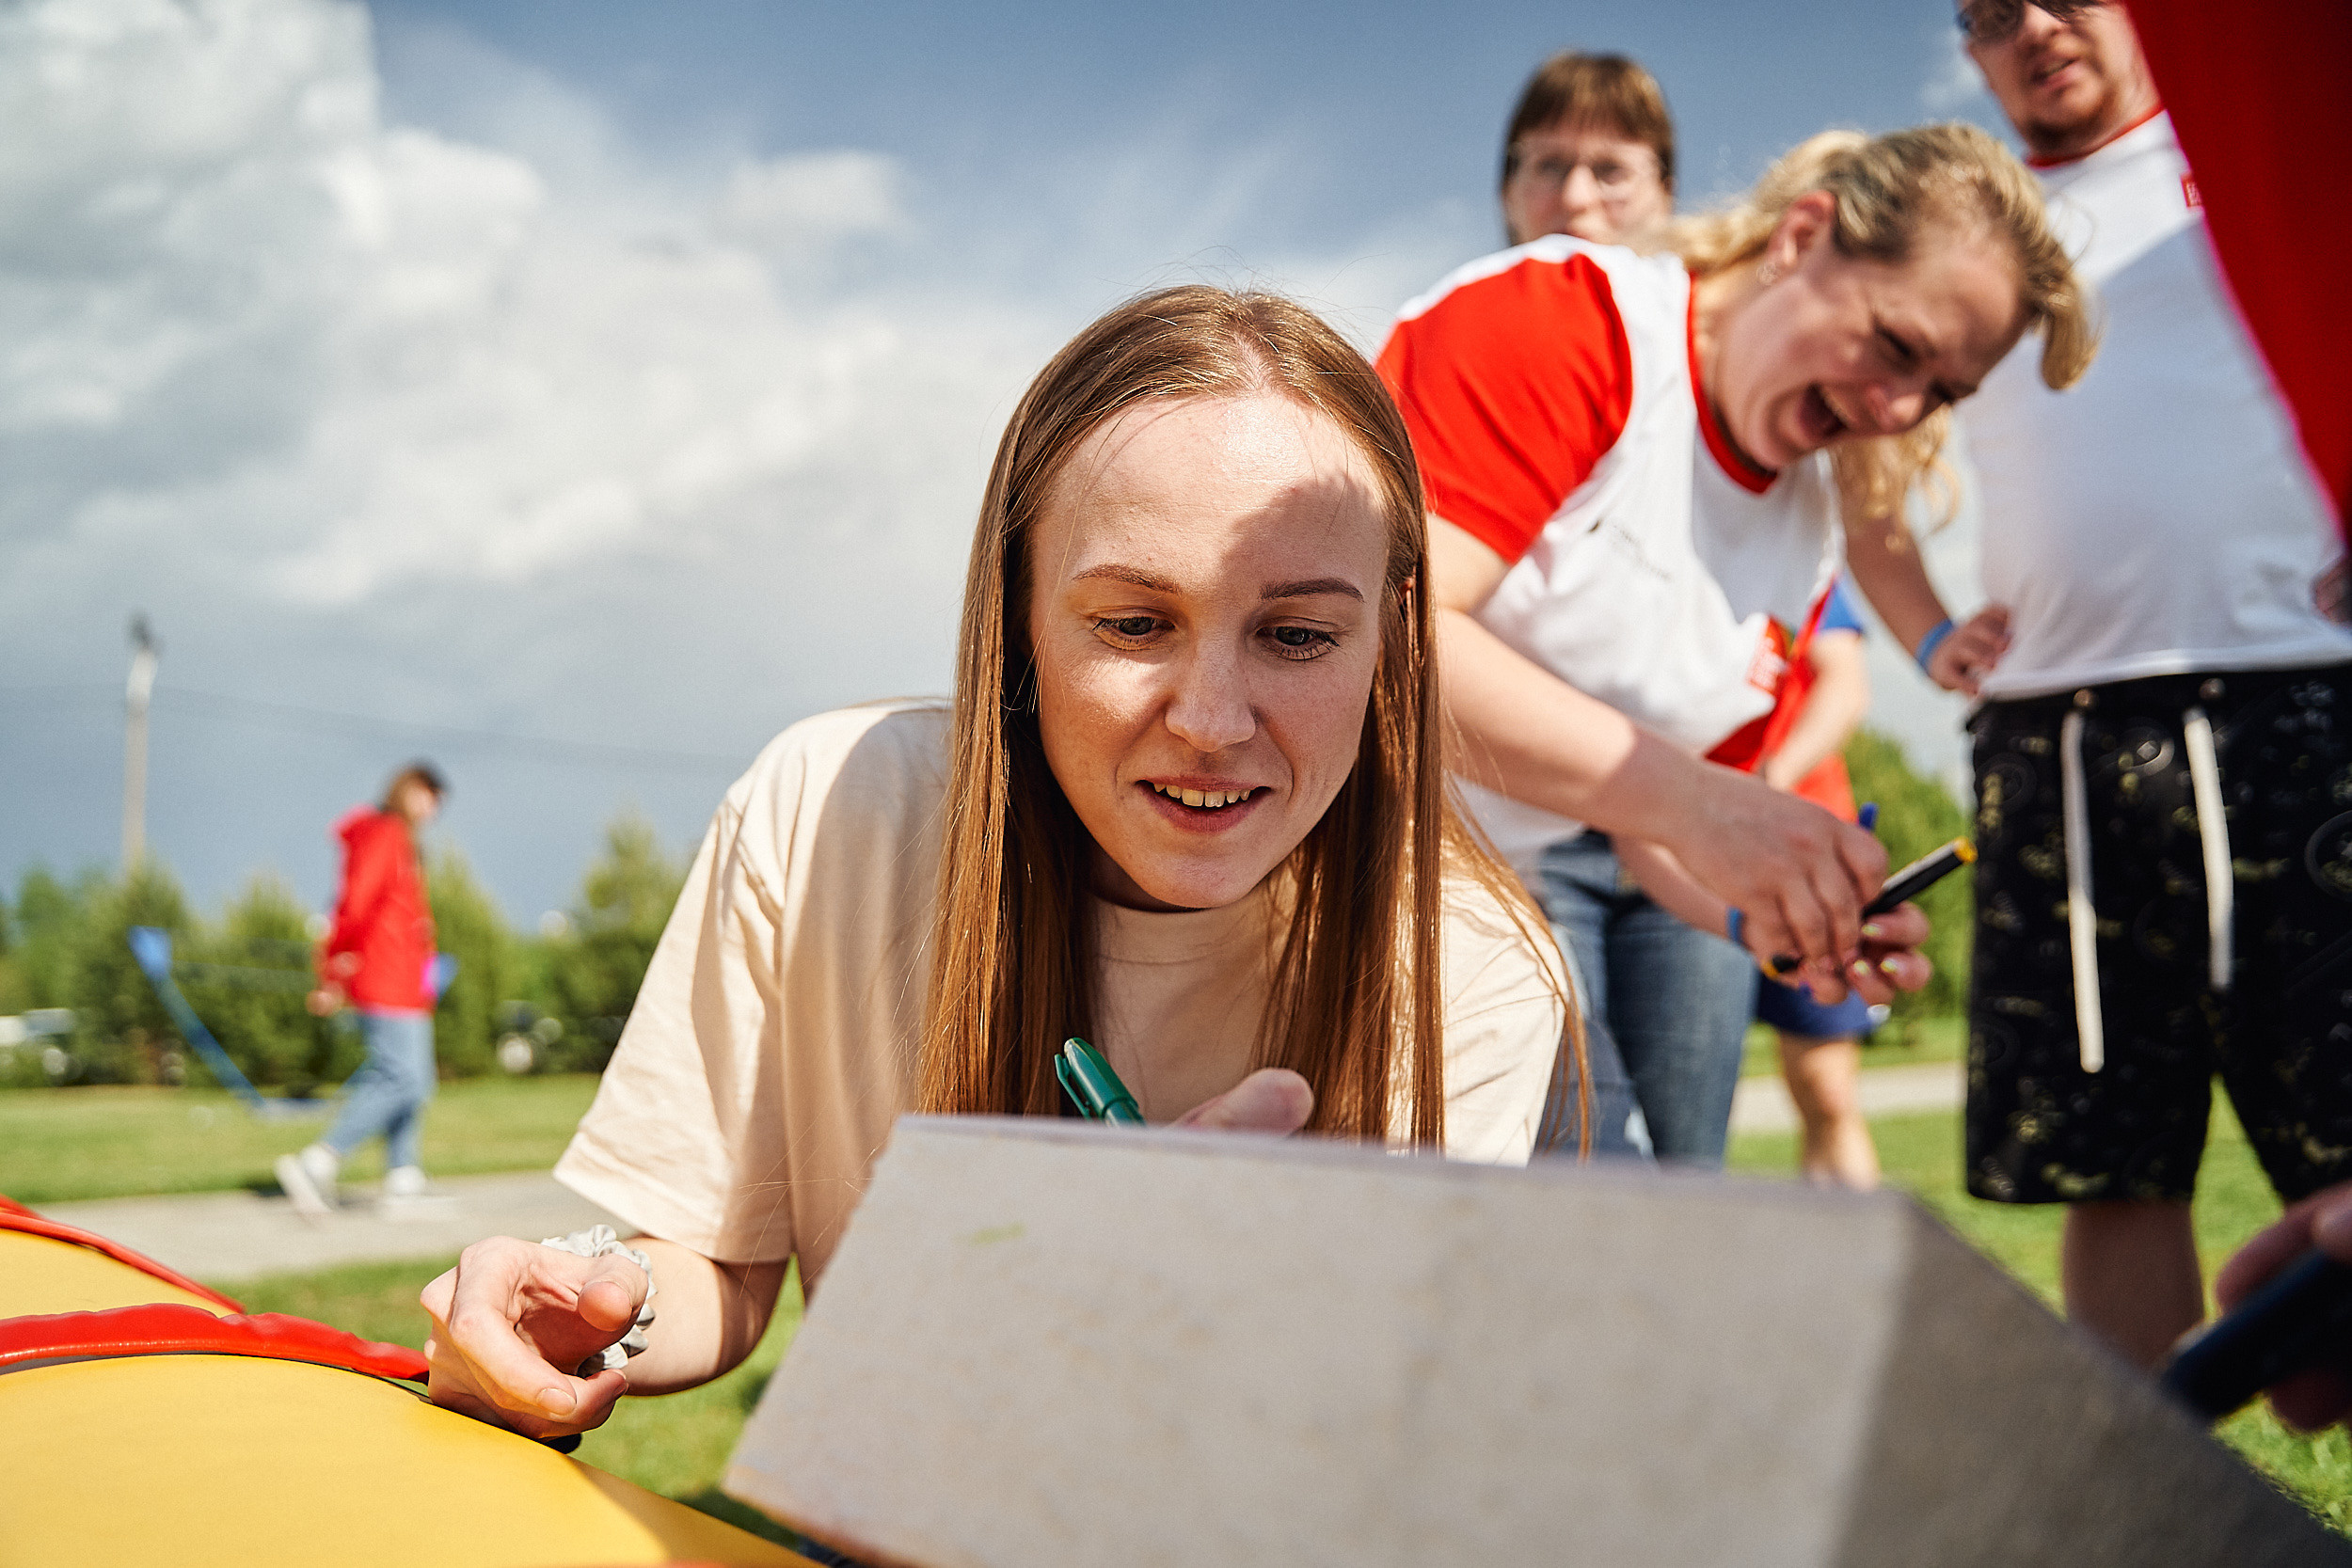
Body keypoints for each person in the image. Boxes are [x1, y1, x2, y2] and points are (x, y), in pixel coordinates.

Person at [415, 286, 1602, 1440]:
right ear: (1018, 615)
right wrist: (595, 1307)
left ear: (1391, 641)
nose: (1211, 717)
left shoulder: (1478, 965)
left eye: (1297, 634)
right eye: (1133, 623)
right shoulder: (828, 803)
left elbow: (1348, 1454)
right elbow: (716, 1256)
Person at [1378, 120, 2084, 1164]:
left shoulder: (1802, 543)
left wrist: (1776, 911)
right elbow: (1379, 636)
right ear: (1801, 235)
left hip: (1500, 904)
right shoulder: (1571, 320)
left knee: (1644, 1222)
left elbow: (1649, 837)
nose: (1896, 408)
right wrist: (1704, 804)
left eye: (1940, 390)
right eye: (1895, 346)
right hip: (1359, 873)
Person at [1842, 0, 2352, 1369]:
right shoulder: (1966, 234)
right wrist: (1925, 628)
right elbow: (1863, 460)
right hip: (2054, 732)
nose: (2038, 27)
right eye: (1995, 12)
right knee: (2105, 1146)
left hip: (2301, 698)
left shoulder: (2249, 163)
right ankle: (2147, 1494)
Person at [275, 762, 447, 1216]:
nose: (434, 808)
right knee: (402, 1076)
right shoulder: (386, 833)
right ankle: (318, 1161)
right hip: (386, 976)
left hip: (407, 980)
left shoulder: (400, 840)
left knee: (414, 1078)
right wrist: (332, 969)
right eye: (430, 795)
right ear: (409, 791)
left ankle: (403, 1175)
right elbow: (354, 903)